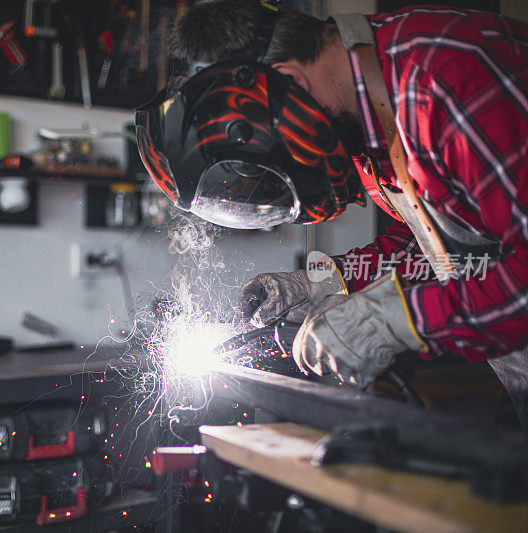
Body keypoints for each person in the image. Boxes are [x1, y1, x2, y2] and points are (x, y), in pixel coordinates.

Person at [135, 0, 528, 424]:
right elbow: (446, 250)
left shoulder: (441, 82)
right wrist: (321, 284)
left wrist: (398, 320)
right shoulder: (370, 122)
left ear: (287, 82)